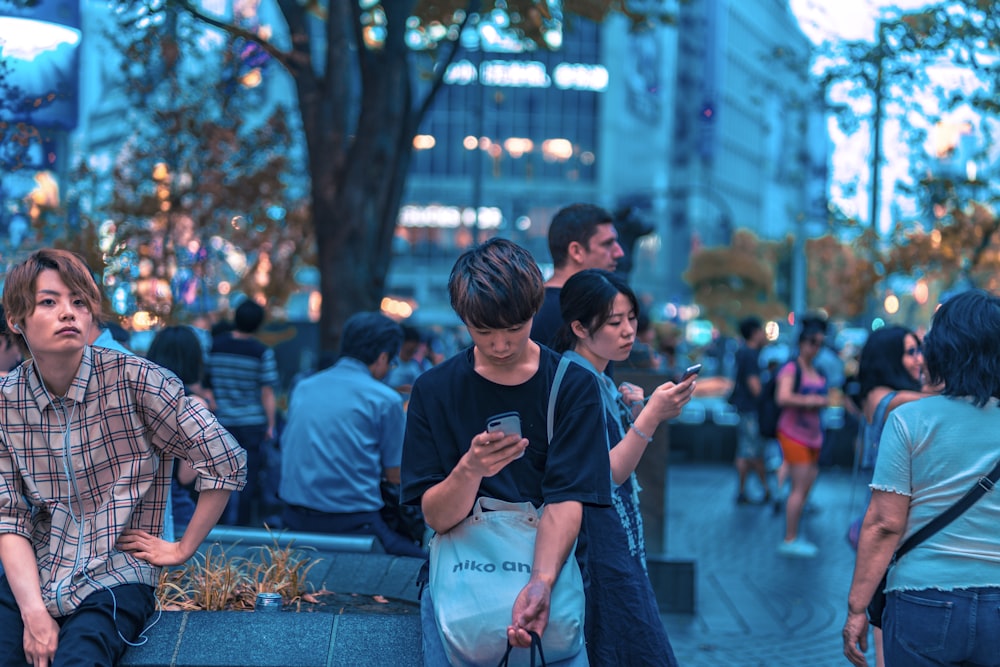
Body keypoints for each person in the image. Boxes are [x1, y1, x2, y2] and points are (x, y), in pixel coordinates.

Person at [0, 248, 246, 667]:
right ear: (16, 321)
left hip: (115, 572)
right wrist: (34, 612)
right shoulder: (7, 401)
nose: (68, 313)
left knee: (81, 658)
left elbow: (225, 459)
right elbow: (10, 517)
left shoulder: (135, 379)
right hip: (33, 573)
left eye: (79, 302)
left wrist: (181, 549)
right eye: (49, 301)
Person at [401, 238, 612, 665]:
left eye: (515, 328)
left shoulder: (571, 385)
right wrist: (470, 469)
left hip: (547, 578)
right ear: (463, 320)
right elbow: (436, 517)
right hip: (460, 588)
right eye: (484, 332)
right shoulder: (435, 389)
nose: (500, 345)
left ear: (534, 310)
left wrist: (541, 582)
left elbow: (567, 499)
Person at [843, 289, 1000, 667]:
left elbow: (884, 523)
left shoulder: (910, 420)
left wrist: (856, 609)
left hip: (922, 600)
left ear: (942, 349)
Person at [552, 269, 694, 666]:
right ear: (579, 326)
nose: (629, 330)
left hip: (613, 535)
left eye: (631, 318)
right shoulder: (577, 380)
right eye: (615, 322)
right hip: (598, 540)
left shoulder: (595, 376)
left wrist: (636, 412)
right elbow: (607, 474)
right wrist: (649, 416)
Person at [279, 311, 426, 558]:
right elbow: (395, 475)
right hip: (355, 522)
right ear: (381, 358)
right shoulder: (384, 399)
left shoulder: (303, 387)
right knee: (424, 563)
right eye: (391, 362)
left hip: (294, 518)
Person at [845, 324, 931, 667]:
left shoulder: (880, 393)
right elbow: (947, 400)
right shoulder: (888, 397)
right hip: (887, 515)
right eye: (910, 351)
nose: (918, 359)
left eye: (919, 350)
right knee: (883, 623)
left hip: (889, 513)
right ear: (888, 356)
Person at [207, 299, 279, 525]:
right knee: (248, 477)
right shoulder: (261, 352)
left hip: (221, 422)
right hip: (251, 423)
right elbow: (267, 391)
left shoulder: (214, 346)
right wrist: (271, 425)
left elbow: (206, 380)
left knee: (219, 475)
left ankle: (215, 523)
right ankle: (243, 525)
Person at [146, 325, 218, 538]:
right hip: (174, 504)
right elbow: (186, 475)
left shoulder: (140, 396)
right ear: (194, 360)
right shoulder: (193, 404)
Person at [529, 203, 624, 348]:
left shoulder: (534, 308)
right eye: (607, 244)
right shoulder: (561, 313)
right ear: (576, 252)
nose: (619, 253)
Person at [775, 324, 830, 557]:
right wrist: (811, 401)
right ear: (802, 343)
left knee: (805, 486)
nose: (816, 348)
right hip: (793, 433)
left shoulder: (814, 369)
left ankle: (795, 533)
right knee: (798, 488)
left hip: (813, 436)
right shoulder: (791, 368)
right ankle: (790, 537)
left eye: (820, 343)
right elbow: (782, 397)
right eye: (812, 343)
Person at [728, 317, 771, 505]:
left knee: (744, 451)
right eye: (761, 330)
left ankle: (742, 491)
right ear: (755, 332)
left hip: (743, 408)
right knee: (753, 451)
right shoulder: (750, 354)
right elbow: (755, 387)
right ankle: (767, 489)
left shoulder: (743, 352)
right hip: (751, 410)